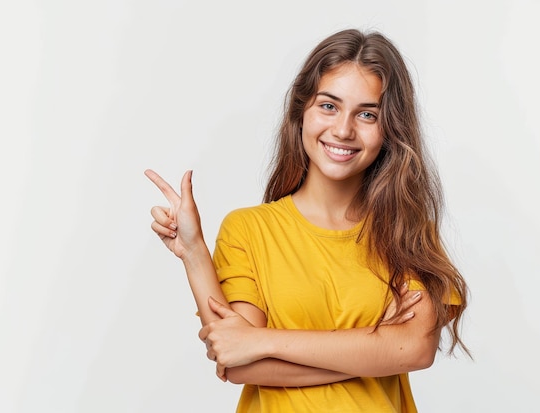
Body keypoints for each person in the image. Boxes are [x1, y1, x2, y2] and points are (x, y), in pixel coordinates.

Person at [145, 28, 469, 412]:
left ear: (391, 129)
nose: (344, 130)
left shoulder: (405, 231)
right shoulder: (249, 230)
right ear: (301, 112)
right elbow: (238, 361)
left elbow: (414, 349)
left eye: (367, 114)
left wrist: (263, 340)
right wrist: (194, 252)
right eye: (328, 106)